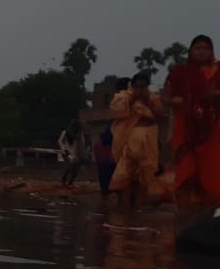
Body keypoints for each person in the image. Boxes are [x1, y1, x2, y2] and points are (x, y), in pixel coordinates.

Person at [163, 34, 220, 206]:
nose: (202, 52)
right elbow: (165, 97)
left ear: (212, 51)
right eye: (198, 48)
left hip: (214, 128)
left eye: (206, 48)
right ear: (191, 51)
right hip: (186, 129)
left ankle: (211, 212)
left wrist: (216, 95)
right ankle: (186, 215)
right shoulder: (180, 72)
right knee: (186, 173)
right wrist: (174, 101)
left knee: (213, 175)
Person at [109, 71, 167, 209]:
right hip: (129, 143)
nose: (140, 90)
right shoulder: (124, 98)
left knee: (143, 179)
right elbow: (116, 112)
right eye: (137, 87)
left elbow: (161, 116)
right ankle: (124, 210)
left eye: (143, 87)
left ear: (147, 87)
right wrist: (132, 98)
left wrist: (147, 101)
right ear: (132, 86)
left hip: (148, 142)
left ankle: (137, 211)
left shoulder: (153, 99)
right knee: (125, 178)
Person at [58, 120, 89, 187]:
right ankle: (63, 179)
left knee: (76, 168)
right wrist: (64, 149)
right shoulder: (65, 132)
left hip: (76, 153)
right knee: (69, 165)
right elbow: (60, 141)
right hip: (66, 152)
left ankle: (70, 182)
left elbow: (82, 144)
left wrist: (83, 154)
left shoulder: (79, 134)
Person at [94, 128, 116, 197]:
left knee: (104, 185)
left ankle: (105, 195)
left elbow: (97, 156)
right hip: (110, 165)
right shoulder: (112, 145)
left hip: (103, 165)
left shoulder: (97, 146)